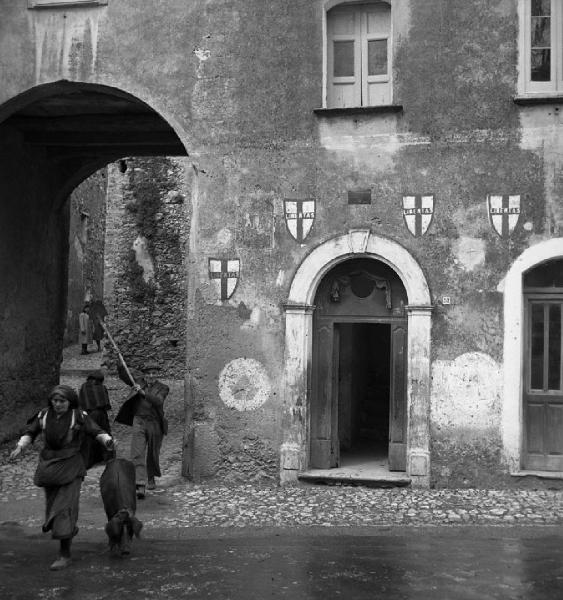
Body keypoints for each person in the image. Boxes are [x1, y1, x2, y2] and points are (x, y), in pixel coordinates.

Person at [9, 384, 114, 570]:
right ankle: (63, 533)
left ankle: (64, 554)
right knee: (52, 509)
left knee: (64, 509)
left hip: (71, 467)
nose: (57, 404)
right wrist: (20, 447)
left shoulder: (79, 416)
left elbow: (96, 431)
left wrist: (107, 440)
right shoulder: (44, 415)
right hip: (49, 469)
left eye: (62, 401)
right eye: (55, 401)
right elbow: (30, 432)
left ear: (70, 402)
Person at [116, 361, 169, 499]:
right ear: (144, 375)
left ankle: (150, 477)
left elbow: (158, 401)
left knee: (152, 452)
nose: (151, 376)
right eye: (148, 373)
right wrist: (120, 364)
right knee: (137, 451)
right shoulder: (138, 382)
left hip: (154, 423)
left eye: (154, 373)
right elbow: (125, 376)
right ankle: (140, 484)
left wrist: (143, 393)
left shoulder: (163, 388)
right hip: (138, 421)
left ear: (158, 374)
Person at [78, 370, 115, 469]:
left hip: (89, 415)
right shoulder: (102, 388)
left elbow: (81, 403)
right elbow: (106, 404)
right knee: (104, 433)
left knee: (89, 436)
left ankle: (88, 460)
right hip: (101, 414)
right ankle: (108, 457)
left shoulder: (83, 387)